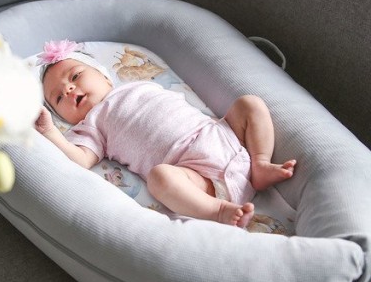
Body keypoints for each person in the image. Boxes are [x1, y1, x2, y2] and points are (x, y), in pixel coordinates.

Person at [34, 40, 296, 228]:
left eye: (75, 76)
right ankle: (218, 211)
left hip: (223, 136)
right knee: (160, 178)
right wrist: (50, 131)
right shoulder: (91, 124)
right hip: (196, 174)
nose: (68, 89)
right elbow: (80, 159)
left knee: (249, 104)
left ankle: (260, 163)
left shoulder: (139, 85)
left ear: (105, 77)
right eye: (58, 98)